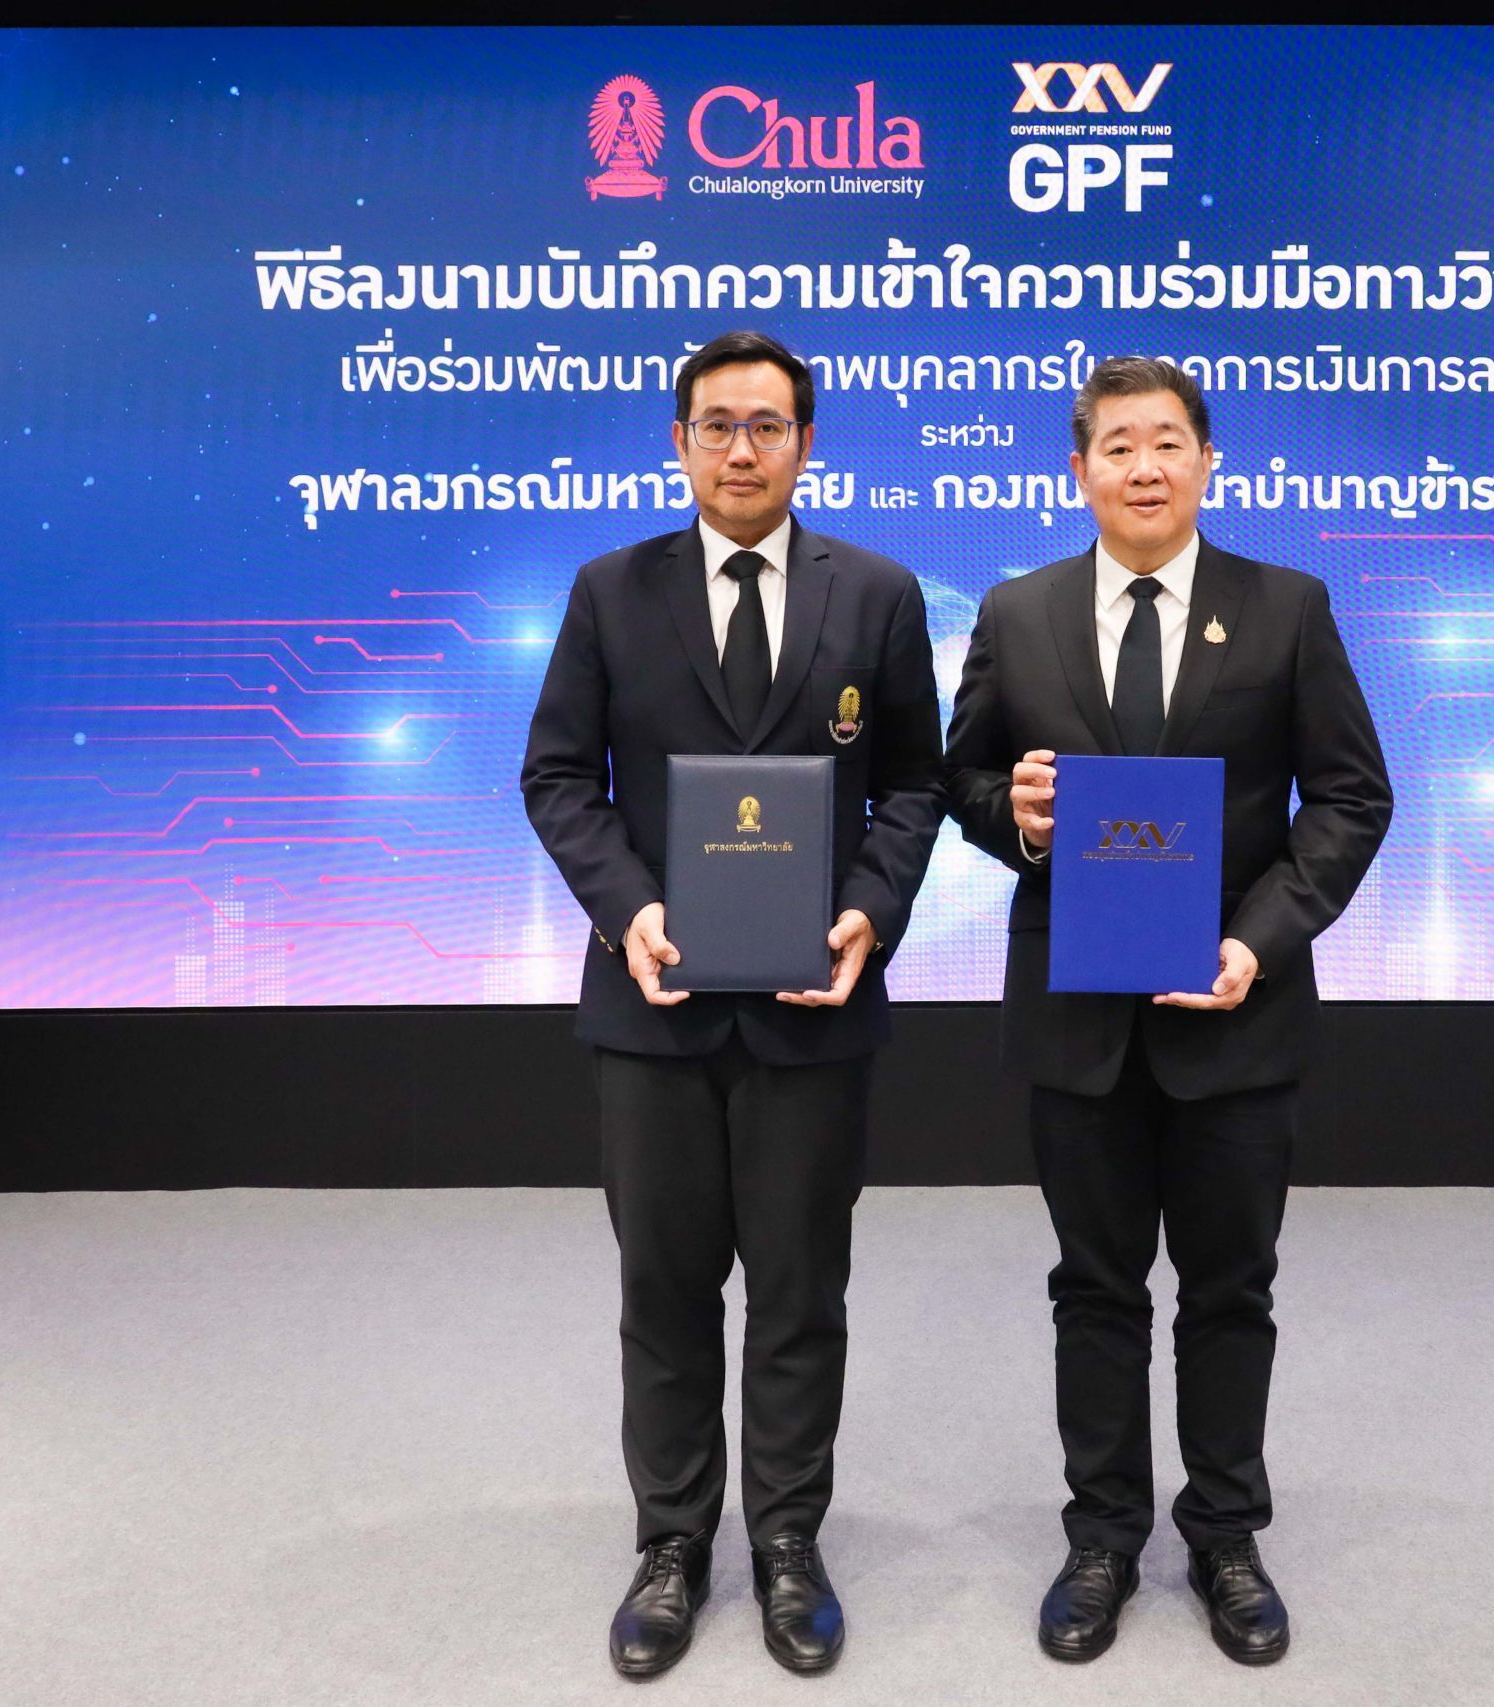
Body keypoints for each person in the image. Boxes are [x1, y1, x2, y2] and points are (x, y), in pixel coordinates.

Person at [941, 357, 1393, 1667]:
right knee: (1093, 1287)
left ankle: (1227, 1535)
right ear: (1078, 470)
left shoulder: (1286, 607)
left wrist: (1258, 942)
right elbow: (964, 778)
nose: (1143, 466)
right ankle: (1100, 1538)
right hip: (1076, 1017)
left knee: (1230, 1289)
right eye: (1117, 445)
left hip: (1234, 1012)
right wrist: (1018, 818)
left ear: (1207, 462)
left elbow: (1351, 797)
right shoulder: (1018, 612)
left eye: (1167, 442)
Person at [520, 329, 943, 1680]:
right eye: (717, 425)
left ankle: (788, 1543)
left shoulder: (876, 593)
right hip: (654, 1005)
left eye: (768, 426)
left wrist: (870, 909)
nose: (742, 449)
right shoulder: (610, 590)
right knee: (664, 1289)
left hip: (815, 1007)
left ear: (806, 444)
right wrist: (629, 909)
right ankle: (671, 1545)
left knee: (802, 1291)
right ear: (681, 442)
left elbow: (916, 783)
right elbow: (559, 778)